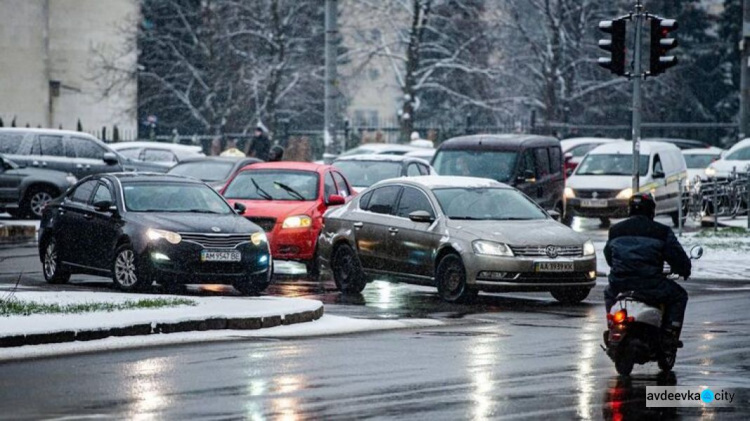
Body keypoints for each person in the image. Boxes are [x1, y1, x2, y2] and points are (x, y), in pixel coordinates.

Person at [603, 193, 691, 346]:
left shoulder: (615, 230)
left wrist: (619, 268)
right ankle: (669, 334)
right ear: (651, 210)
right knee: (679, 296)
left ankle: (612, 326)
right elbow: (676, 256)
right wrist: (684, 269)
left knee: (608, 293)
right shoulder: (661, 231)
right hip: (651, 284)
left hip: (620, 283)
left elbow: (608, 256)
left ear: (630, 210)